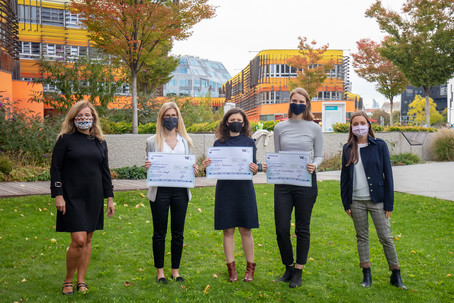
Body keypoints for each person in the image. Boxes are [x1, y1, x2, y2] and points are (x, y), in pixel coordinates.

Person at [50, 100, 115, 295]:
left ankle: (81, 280)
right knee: (78, 239)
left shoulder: (100, 142)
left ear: (93, 118)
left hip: (93, 196)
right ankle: (68, 280)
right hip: (72, 196)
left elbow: (105, 172)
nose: (84, 119)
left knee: (87, 239)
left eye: (87, 115)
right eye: (80, 116)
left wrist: (110, 198)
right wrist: (58, 195)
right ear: (73, 118)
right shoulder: (65, 139)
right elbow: (56, 169)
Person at [340, 110, 407, 289]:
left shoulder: (379, 145)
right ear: (351, 127)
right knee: (362, 237)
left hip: (378, 200)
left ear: (368, 125)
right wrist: (346, 203)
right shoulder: (347, 149)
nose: (359, 126)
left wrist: (389, 203)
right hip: (356, 201)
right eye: (355, 124)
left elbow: (388, 176)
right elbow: (345, 179)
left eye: (362, 123)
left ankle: (395, 273)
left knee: (386, 237)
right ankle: (366, 274)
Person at [269, 87, 323, 288]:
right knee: (281, 228)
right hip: (283, 184)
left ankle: (299, 270)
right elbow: (278, 154)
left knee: (302, 227)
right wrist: (272, 165)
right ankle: (288, 266)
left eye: (302, 101)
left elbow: (319, 155)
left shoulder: (314, 128)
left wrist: (314, 165)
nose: (298, 104)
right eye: (295, 100)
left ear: (307, 104)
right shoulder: (279, 128)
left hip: (306, 183)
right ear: (289, 101)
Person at [202, 108, 259, 282]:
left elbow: (254, 167)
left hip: (244, 189)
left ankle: (250, 269)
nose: (236, 122)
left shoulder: (250, 142)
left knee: (246, 229)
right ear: (226, 122)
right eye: (232, 119)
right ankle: (231, 269)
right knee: (228, 230)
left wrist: (255, 169)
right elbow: (213, 169)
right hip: (225, 189)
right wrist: (207, 166)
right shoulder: (219, 144)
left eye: (239, 120)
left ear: (244, 123)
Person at [145, 102, 197, 284]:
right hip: (160, 191)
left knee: (178, 232)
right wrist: (148, 166)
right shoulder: (152, 141)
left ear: (178, 118)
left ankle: (175, 270)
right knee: (159, 232)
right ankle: (160, 271)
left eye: (173, 115)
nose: (170, 119)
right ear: (161, 118)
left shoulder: (186, 141)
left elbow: (190, 164)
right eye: (166, 116)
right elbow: (149, 165)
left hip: (180, 191)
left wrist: (194, 169)